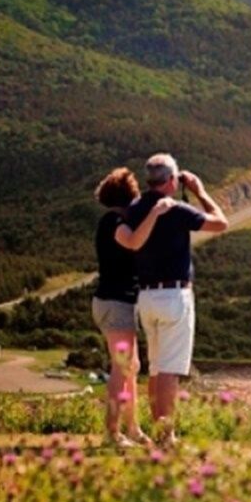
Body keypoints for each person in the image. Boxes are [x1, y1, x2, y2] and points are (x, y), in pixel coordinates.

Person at [125, 153, 228, 447]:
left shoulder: (136, 208)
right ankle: (166, 436)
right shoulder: (177, 209)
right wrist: (200, 192)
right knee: (170, 369)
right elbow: (221, 223)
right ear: (171, 180)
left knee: (156, 368)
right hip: (174, 295)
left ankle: (159, 431)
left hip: (146, 296)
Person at [91, 168, 174, 447]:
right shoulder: (115, 221)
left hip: (112, 302)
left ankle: (133, 428)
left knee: (132, 366)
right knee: (121, 367)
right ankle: (112, 433)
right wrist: (155, 214)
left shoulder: (110, 220)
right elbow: (133, 241)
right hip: (116, 302)